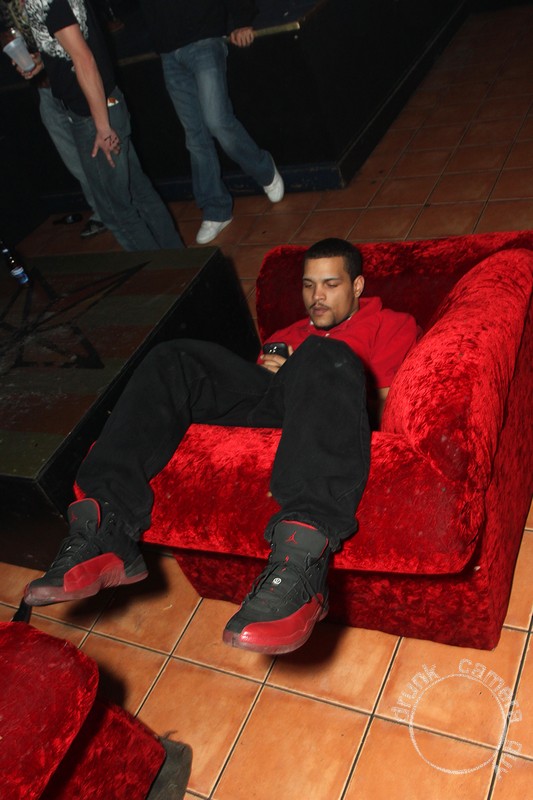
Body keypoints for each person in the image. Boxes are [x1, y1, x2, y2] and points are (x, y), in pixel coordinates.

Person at [23, 238, 420, 655]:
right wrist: (276, 374)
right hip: (272, 407)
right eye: (308, 285)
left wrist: (305, 370)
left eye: (330, 284)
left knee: (325, 353)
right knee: (173, 357)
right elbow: (245, 400)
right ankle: (106, 523)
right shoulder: (286, 335)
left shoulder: (390, 324)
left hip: (330, 406)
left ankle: (303, 562)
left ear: (357, 286)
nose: (316, 297)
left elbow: (383, 408)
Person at [23, 0, 184, 252]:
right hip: (106, 104)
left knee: (115, 211)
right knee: (138, 191)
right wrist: (43, 62)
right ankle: (179, 264)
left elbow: (85, 60)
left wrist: (103, 127)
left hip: (92, 114)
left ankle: (158, 274)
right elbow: (76, 44)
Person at [137, 0, 285, 245]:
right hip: (168, 51)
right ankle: (216, 210)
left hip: (203, 38)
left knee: (217, 121)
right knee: (195, 136)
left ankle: (264, 169)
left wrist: (242, 18)